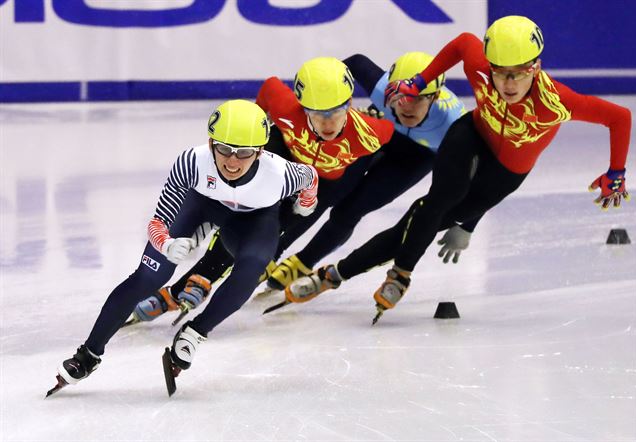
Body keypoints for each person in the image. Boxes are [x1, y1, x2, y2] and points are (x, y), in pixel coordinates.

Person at [282, 15, 632, 324]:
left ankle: (333, 275)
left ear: (535, 67)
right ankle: (401, 276)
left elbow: (620, 117)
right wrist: (420, 81)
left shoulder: (557, 102)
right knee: (432, 207)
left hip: (506, 171)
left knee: (413, 224)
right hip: (471, 135)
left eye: (516, 75)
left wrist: (616, 172)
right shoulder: (481, 68)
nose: (507, 85)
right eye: (499, 74)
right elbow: (463, 43)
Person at [47, 99, 319, 394]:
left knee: (252, 267)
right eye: (224, 149)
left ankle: (195, 333)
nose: (232, 161)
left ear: (260, 152)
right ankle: (89, 354)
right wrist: (165, 244)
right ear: (210, 142)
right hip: (202, 207)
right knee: (150, 277)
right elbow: (158, 222)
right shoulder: (192, 162)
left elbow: (311, 178)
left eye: (244, 153)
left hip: (252, 220)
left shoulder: (280, 175)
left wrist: (306, 203)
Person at [125, 57, 395, 325]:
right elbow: (269, 89)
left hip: (320, 183)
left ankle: (195, 281)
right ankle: (199, 276)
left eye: (335, 112)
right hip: (284, 159)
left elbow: (389, 142)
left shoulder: (372, 134)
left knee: (271, 228)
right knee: (242, 208)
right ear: (303, 107)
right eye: (316, 113)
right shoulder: (288, 109)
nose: (327, 123)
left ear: (349, 104)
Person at [264, 51, 471, 291]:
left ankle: (304, 262)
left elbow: (479, 174)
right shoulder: (381, 90)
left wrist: (466, 224)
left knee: (350, 211)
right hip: (375, 132)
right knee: (327, 191)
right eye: (400, 96)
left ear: (435, 97)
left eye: (418, 99)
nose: (406, 106)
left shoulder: (453, 125)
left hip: (415, 157)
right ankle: (273, 250)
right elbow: (354, 63)